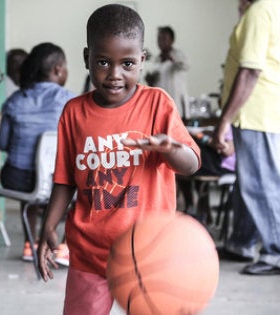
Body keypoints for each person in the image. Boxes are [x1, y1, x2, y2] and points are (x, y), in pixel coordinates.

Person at [36, 4, 200, 314]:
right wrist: (49, 225)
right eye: (102, 62)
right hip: (88, 250)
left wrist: (171, 149)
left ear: (142, 59)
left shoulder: (156, 104)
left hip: (148, 251)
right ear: (87, 59)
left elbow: (191, 164)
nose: (114, 74)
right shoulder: (74, 112)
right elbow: (64, 180)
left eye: (127, 63)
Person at [211, 0, 280, 275]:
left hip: (257, 109)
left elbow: (250, 70)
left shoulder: (260, 12)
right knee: (250, 179)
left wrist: (223, 120)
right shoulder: (279, 6)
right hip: (267, 107)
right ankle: (241, 243)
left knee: (263, 182)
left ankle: (279, 255)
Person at [0, 42, 76, 265]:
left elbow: (3, 144)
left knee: (27, 182)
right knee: (85, 184)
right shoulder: (71, 101)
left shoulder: (13, 102)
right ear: (58, 69)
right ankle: (64, 248)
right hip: (58, 182)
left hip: (17, 179)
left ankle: (29, 245)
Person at [178, 127, 235, 224]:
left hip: (225, 166)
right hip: (219, 163)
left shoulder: (229, 124)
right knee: (183, 165)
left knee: (186, 162)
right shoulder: (227, 125)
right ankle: (193, 207)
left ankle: (194, 208)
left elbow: (227, 150)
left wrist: (204, 138)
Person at [144, 26, 190, 119]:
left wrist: (172, 59)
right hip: (160, 105)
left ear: (172, 40)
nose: (161, 42)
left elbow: (185, 66)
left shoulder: (178, 55)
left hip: (176, 105)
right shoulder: (157, 59)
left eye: (164, 39)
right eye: (159, 39)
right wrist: (150, 81)